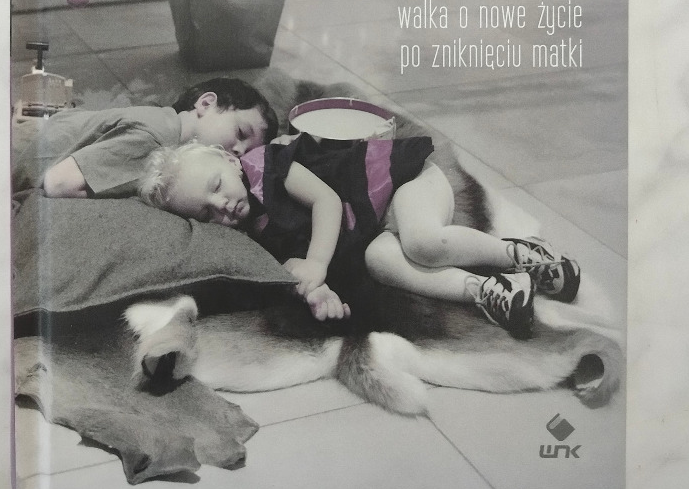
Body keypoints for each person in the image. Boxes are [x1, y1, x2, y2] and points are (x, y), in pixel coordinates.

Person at [137, 133, 581, 339]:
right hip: (375, 226)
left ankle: (519, 255)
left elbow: (327, 203)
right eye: (206, 212)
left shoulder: (265, 165)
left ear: (231, 161)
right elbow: (293, 270)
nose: (222, 205)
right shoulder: (248, 237)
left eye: (217, 186)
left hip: (402, 181)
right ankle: (489, 291)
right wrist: (318, 292)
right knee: (379, 262)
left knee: (422, 242)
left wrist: (317, 264)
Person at [12, 77, 278, 199]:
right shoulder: (155, 139)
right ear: (206, 104)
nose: (239, 152)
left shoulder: (162, 118)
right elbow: (58, 183)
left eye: (248, 151)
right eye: (241, 133)